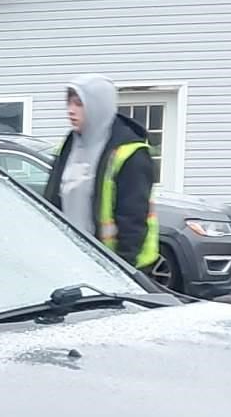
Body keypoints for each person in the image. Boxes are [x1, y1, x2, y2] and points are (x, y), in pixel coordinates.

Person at [44, 76, 158, 273]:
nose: (70, 110)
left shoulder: (130, 153)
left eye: (79, 103)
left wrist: (122, 270)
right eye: (69, 102)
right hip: (73, 260)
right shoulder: (69, 145)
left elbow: (133, 218)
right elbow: (53, 200)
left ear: (97, 106)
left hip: (116, 265)